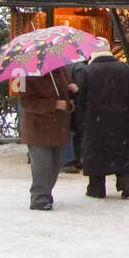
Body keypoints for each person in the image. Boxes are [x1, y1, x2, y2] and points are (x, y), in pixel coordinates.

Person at [74, 37, 129, 199]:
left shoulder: (86, 71)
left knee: (95, 153)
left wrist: (81, 120)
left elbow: (81, 99)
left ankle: (96, 188)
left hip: (95, 120)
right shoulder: (123, 68)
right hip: (119, 118)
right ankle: (125, 182)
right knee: (120, 151)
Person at [19, 71, 76, 210]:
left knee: (55, 165)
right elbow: (26, 102)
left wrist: (72, 92)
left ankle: (45, 193)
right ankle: (39, 198)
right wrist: (53, 104)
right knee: (42, 166)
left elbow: (67, 97)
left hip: (59, 127)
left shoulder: (62, 71)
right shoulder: (25, 75)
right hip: (37, 129)